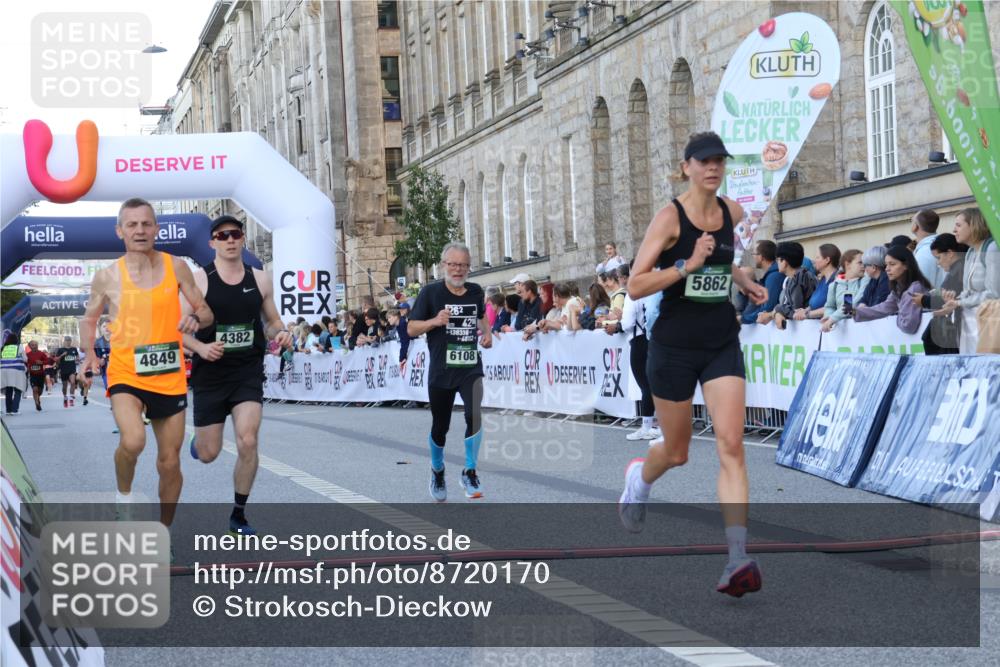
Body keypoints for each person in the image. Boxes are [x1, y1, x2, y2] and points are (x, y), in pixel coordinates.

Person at [619, 131, 768, 597]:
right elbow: (637, 284)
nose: (712, 168)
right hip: (674, 346)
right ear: (686, 167)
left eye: (719, 161)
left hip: (720, 340)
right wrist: (685, 265)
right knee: (678, 452)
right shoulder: (670, 218)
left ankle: (737, 558)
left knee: (731, 445)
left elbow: (724, 259)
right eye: (704, 161)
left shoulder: (733, 212)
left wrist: (742, 279)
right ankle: (638, 482)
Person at [80, 197, 213, 539]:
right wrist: (89, 354)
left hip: (169, 376)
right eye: (132, 224)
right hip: (126, 373)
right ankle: (123, 499)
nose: (140, 230)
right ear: (120, 231)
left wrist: (195, 318)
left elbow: (206, 311)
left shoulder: (177, 266)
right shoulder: (107, 276)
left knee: (169, 463)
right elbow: (89, 319)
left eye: (146, 223)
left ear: (156, 228)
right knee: (134, 441)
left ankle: (163, 533)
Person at [180, 214, 292, 536]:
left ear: (242, 239)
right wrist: (200, 350)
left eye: (235, 234)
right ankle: (198, 443)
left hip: (247, 371)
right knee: (208, 454)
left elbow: (271, 321)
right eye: (222, 235)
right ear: (212, 242)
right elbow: (176, 332)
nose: (230, 240)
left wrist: (280, 332)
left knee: (248, 439)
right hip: (210, 375)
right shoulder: (199, 281)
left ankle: (238, 515)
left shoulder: (261, 279)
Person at [407, 243, 492, 501]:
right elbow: (411, 329)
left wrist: (487, 334)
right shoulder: (430, 293)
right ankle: (437, 469)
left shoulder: (476, 291)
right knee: (440, 426)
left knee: (473, 413)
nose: (458, 270)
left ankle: (469, 471)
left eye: (463, 265)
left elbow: (481, 317)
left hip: (469, 366)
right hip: (441, 370)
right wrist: (434, 321)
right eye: (453, 264)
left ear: (469, 267)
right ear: (443, 265)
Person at [939, 208, 1000, 353]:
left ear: (974, 225)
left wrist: (959, 302)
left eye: (958, 225)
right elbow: (967, 291)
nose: (954, 230)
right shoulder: (971, 252)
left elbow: (994, 294)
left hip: (989, 323)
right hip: (973, 322)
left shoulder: (992, 248)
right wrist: (952, 301)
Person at [853, 246, 931, 334]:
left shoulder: (915, 288)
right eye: (886, 265)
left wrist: (897, 314)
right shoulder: (897, 289)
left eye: (892, 264)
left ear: (906, 265)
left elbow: (908, 325)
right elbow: (884, 308)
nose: (887, 269)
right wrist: (855, 312)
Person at [916, 233, 967, 354]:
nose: (938, 263)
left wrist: (924, 300)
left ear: (950, 253)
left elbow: (948, 298)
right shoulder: (958, 268)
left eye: (938, 258)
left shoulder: (959, 269)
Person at [619, 290, 660, 441]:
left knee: (645, 385)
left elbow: (628, 323)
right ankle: (655, 426)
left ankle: (648, 426)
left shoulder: (633, 294)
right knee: (656, 383)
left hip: (639, 339)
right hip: (657, 338)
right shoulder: (656, 290)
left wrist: (618, 325)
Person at [763, 242, 816, 330]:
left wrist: (778, 309)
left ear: (785, 262)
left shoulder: (798, 278)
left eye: (778, 260)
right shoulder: (793, 278)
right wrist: (778, 312)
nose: (777, 263)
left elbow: (795, 310)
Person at [820, 249, 869, 332]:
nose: (863, 266)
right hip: (842, 335)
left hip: (862, 331)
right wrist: (828, 316)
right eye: (860, 262)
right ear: (847, 264)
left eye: (864, 263)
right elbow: (829, 306)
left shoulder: (866, 281)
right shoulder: (834, 285)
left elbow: (851, 305)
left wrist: (832, 319)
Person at [740, 240, 783, 324]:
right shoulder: (771, 275)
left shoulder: (773, 277)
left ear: (761, 257)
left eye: (754, 254)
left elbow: (768, 307)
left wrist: (744, 318)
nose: (753, 257)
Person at [794, 244, 840, 321]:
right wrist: (805, 310)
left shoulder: (839, 279)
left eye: (818, 257)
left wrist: (807, 314)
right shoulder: (822, 280)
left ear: (827, 260)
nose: (814, 261)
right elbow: (815, 304)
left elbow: (835, 307)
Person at [911, 209, 943, 288]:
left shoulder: (924, 253)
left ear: (915, 226)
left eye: (911, 220)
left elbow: (921, 287)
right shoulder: (938, 245)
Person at [1, 333, 27, 416]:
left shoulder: (3, 348)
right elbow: (25, 359)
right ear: (16, 339)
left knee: (8, 391)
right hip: (17, 371)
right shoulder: (19, 347)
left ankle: (8, 410)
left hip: (4, 371)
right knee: (18, 390)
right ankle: (15, 410)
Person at [54, 336, 80, 408]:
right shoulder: (61, 350)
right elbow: (56, 359)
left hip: (72, 368)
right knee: (64, 386)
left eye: (69, 340)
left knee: (73, 382)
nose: (68, 341)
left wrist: (77, 359)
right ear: (64, 341)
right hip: (64, 369)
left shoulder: (73, 349)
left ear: (71, 341)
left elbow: (77, 356)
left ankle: (71, 398)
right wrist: (62, 355)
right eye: (67, 340)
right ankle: (65, 397)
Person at [24, 340, 50, 412]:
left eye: (35, 344)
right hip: (33, 375)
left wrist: (41, 362)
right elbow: (25, 363)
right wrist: (27, 368)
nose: (34, 346)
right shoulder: (28, 355)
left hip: (41, 375)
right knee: (35, 389)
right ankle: (37, 403)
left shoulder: (41, 354)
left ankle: (38, 399)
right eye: (32, 345)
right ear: (30, 346)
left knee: (40, 391)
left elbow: (48, 361)